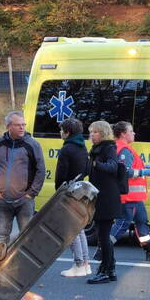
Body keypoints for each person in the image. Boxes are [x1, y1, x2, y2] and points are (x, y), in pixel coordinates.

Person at [0, 111, 45, 246]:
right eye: (18, 125)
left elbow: (41, 170)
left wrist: (31, 193)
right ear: (8, 127)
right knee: (1, 238)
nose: (22, 127)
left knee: (27, 239)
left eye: (23, 124)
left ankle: (25, 267)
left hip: (24, 200)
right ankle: (1, 266)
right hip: (2, 200)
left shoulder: (32, 145)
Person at [110, 121, 150, 261]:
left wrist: (147, 166)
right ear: (123, 134)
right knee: (122, 224)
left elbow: (131, 165)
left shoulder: (125, 148)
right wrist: (145, 172)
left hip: (134, 196)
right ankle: (103, 247)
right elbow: (126, 171)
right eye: (131, 131)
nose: (134, 133)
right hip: (128, 196)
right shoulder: (124, 149)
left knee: (142, 221)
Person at [86, 120, 122, 284]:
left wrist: (96, 164)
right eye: (91, 132)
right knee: (103, 236)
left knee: (103, 237)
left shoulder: (109, 148)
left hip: (107, 198)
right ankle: (110, 269)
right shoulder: (96, 149)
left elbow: (112, 167)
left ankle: (106, 271)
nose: (91, 135)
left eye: (94, 132)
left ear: (102, 133)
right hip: (100, 196)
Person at [54, 117, 91, 277]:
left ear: (67, 132)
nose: (60, 132)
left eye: (62, 130)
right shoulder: (83, 147)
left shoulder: (67, 149)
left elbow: (61, 173)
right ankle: (86, 264)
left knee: (71, 230)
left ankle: (78, 264)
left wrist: (59, 190)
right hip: (80, 190)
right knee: (79, 228)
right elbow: (87, 169)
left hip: (68, 192)